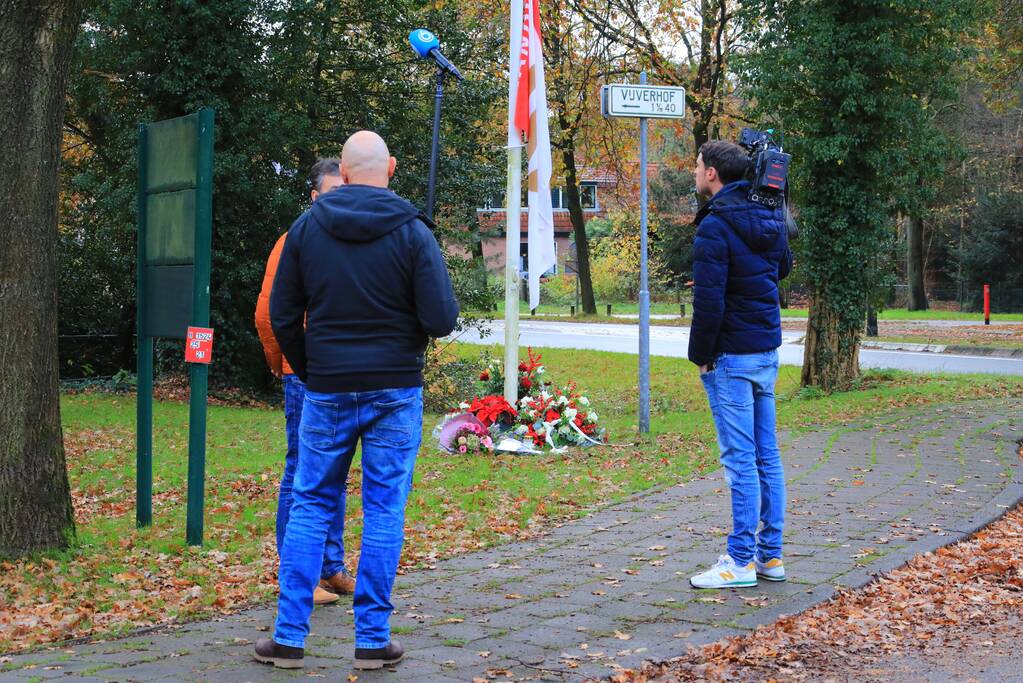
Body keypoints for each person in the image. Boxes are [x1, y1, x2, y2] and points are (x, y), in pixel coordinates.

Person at [253, 131, 459, 670]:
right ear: (389, 167)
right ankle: (372, 639)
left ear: (342, 174)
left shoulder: (306, 229)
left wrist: (314, 366)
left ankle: (289, 636)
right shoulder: (413, 232)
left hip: (326, 389)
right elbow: (441, 318)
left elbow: (280, 314)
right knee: (385, 508)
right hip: (395, 390)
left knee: (311, 502)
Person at [686, 140, 792, 590]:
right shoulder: (771, 214)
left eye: (696, 166)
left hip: (730, 354)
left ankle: (740, 560)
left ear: (712, 173)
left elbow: (708, 300)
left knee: (740, 462)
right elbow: (782, 268)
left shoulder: (715, 224)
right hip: (765, 350)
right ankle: (770, 557)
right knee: (766, 457)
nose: (694, 172)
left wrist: (701, 356)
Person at [254, 157, 355, 607]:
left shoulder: (351, 240)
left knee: (334, 473)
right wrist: (284, 363)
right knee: (303, 473)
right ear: (315, 198)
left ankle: (331, 567)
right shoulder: (295, 239)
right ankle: (297, 574)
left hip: (342, 374)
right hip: (306, 374)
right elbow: (268, 314)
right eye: (332, 193)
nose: (339, 201)